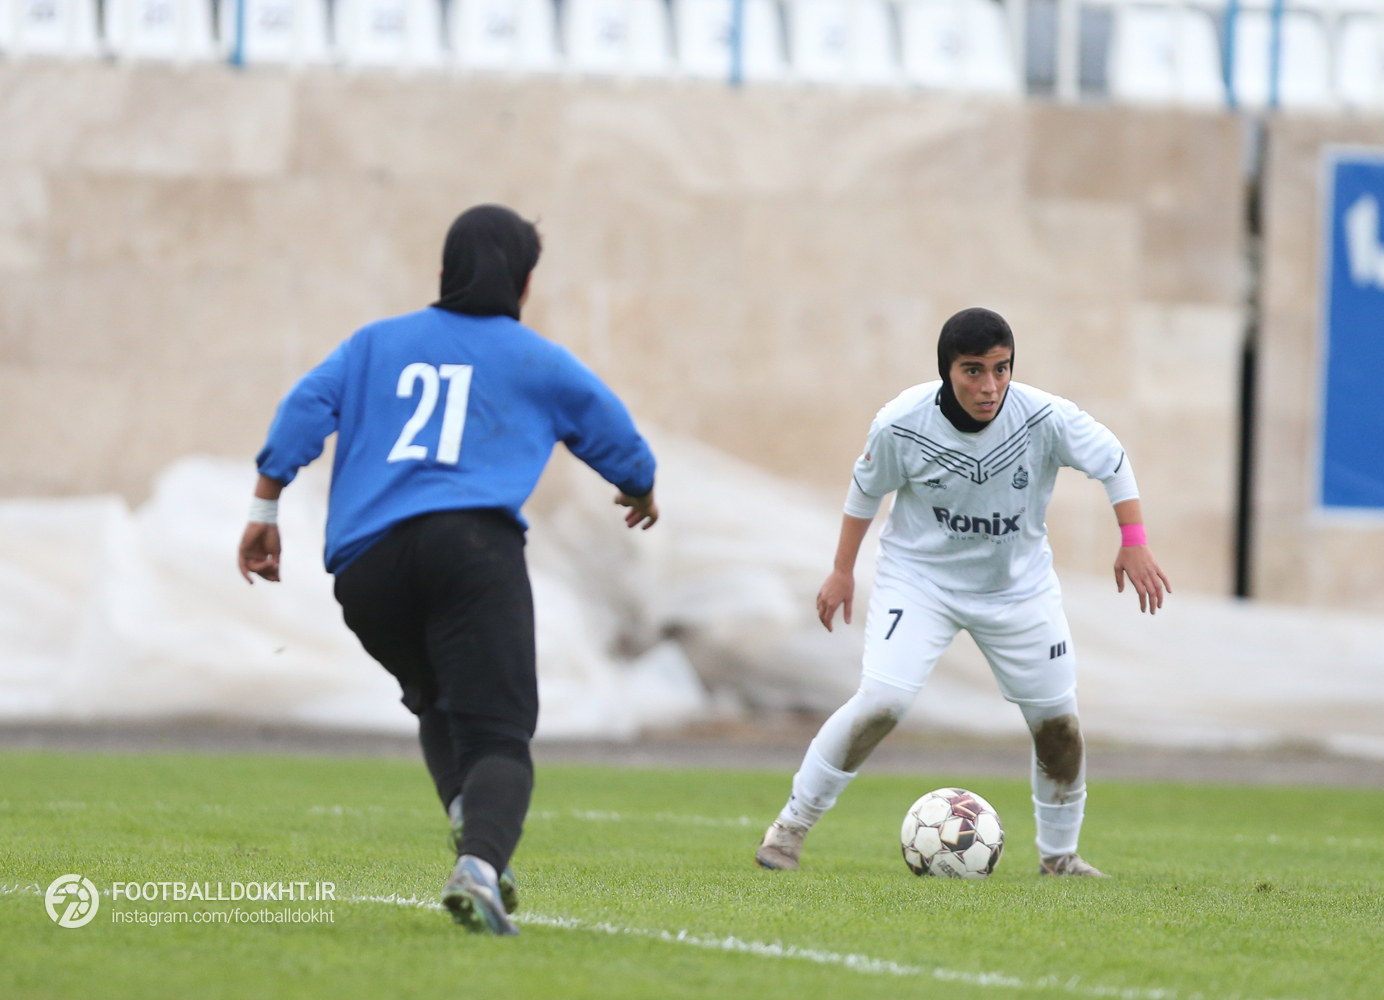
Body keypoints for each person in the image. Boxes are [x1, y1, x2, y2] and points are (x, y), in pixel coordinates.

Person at [238, 205, 659, 935]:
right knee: (500, 735)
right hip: (470, 551)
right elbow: (616, 435)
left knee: (436, 700)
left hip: (367, 567)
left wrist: (265, 509)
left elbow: (304, 407)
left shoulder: (374, 343)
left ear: (442, 272)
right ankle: (481, 866)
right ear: (525, 284)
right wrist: (639, 488)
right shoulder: (536, 359)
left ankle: (470, 815)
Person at [755, 307, 1170, 878]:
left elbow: (1113, 460)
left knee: (1059, 725)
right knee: (882, 702)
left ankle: (1060, 857)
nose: (989, 386)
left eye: (1001, 369)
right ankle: (789, 829)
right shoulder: (901, 423)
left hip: (1018, 589)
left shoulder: (1044, 417)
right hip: (920, 582)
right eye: (973, 370)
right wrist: (842, 571)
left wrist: (1135, 541)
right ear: (947, 371)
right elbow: (865, 491)